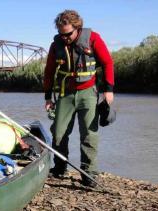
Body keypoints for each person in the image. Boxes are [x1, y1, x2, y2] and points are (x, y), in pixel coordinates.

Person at [43, 10, 114, 187]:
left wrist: (108, 89)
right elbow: (49, 71)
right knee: (58, 133)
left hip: (88, 92)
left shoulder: (93, 38)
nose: (65, 37)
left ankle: (88, 173)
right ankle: (59, 168)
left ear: (77, 27)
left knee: (89, 134)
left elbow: (107, 63)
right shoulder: (56, 44)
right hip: (64, 94)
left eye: (68, 34)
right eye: (61, 34)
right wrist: (47, 96)